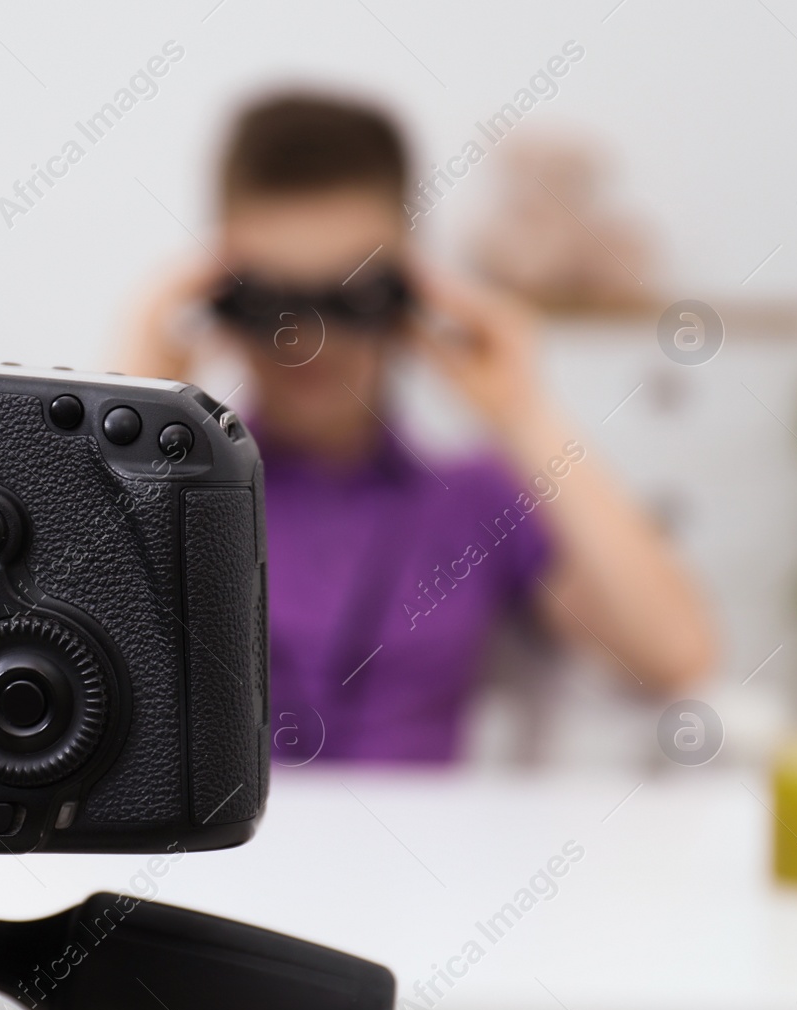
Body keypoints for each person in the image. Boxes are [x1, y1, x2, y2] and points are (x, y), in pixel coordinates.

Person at [121, 93, 717, 762]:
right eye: (272, 300)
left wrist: (521, 408)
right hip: (221, 857)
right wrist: (135, 412)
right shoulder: (171, 499)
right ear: (219, 298)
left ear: (407, 292)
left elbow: (673, 653)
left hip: (428, 862)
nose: (310, 340)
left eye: (351, 296)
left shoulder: (472, 500)